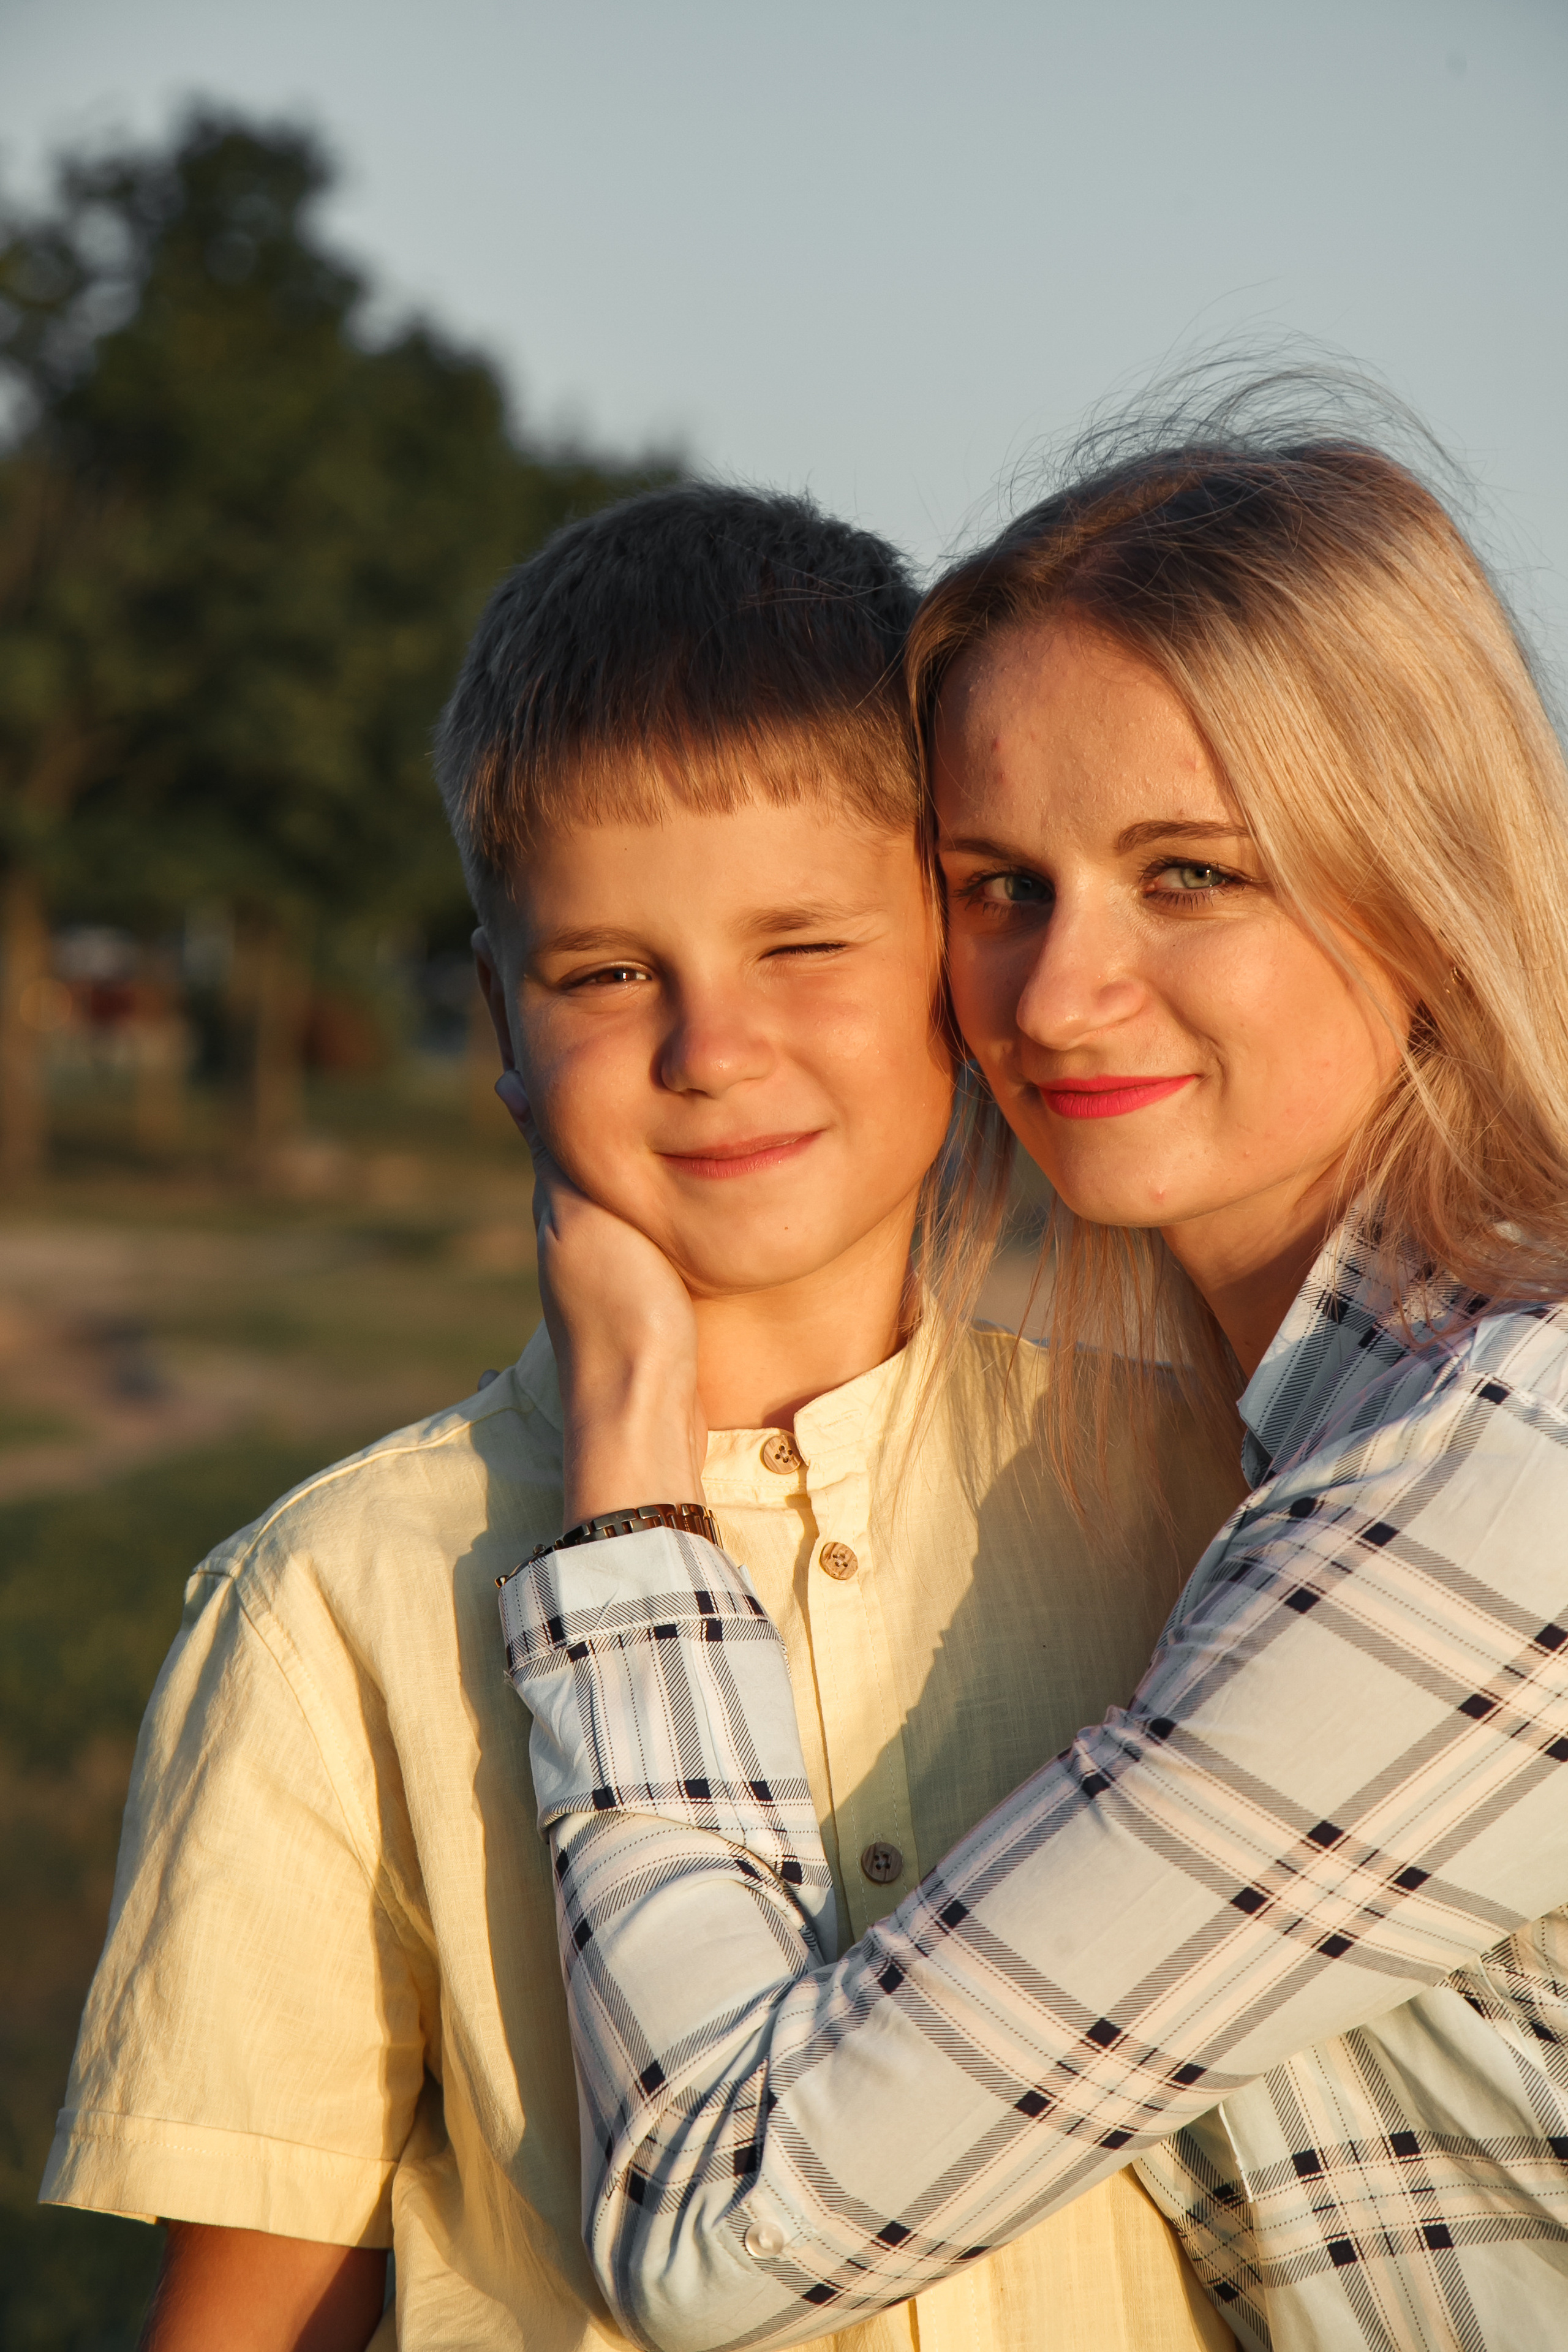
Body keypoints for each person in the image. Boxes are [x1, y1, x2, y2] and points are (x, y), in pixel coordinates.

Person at [42, 484, 1238, 2351]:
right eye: (609, 975)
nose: (712, 1045)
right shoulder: (333, 1599)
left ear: (952, 958)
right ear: (506, 1037)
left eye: (804, 944)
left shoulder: (1211, 1486)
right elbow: (260, 2312)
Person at [504, 418, 1568, 2352]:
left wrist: (638, 1517)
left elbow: (730, 2225)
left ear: (1419, 884)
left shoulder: (1491, 1488)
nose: (1060, 993)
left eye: (1189, 875)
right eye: (1000, 885)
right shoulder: (1271, 1435)